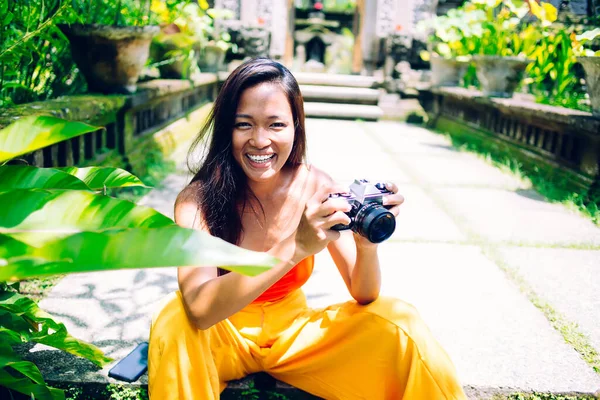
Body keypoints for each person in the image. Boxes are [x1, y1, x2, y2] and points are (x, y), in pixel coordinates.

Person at [148, 57, 466, 400]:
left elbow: (364, 295)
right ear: (227, 128)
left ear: (296, 127)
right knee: (174, 318)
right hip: (221, 337)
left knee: (401, 321)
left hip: (295, 337)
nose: (260, 140)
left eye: (276, 125)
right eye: (244, 125)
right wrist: (294, 248)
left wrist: (366, 244)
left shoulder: (316, 185)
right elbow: (200, 309)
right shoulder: (197, 200)